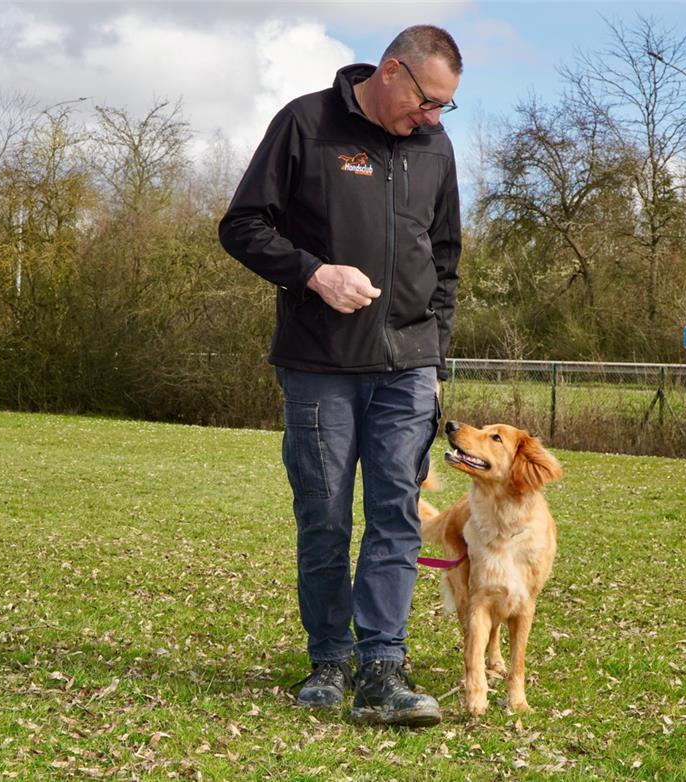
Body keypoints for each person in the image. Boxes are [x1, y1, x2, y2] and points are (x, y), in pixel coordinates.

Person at [218, 25, 462, 727]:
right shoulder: (305, 124)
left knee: (396, 518)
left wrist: (436, 357)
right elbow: (242, 225)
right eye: (428, 101)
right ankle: (328, 659)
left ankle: (383, 666)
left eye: (446, 107)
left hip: (408, 369)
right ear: (391, 72)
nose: (434, 118)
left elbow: (445, 261)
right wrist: (312, 274)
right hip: (320, 367)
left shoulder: (434, 148)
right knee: (323, 520)